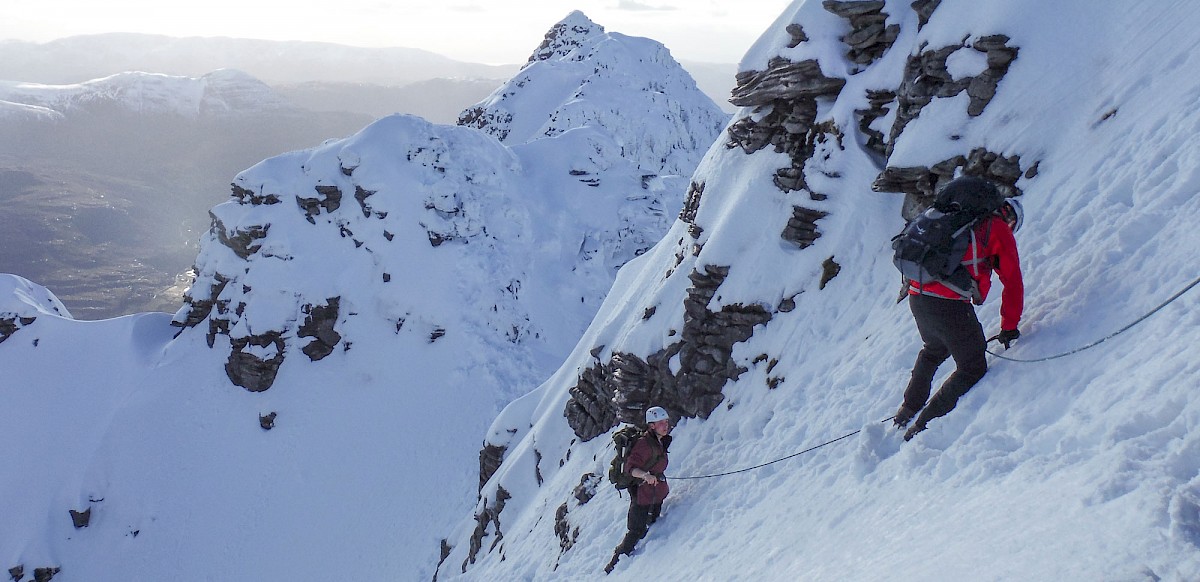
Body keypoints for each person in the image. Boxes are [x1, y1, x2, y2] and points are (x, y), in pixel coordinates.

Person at [893, 178, 1025, 441]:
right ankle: (922, 427)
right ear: (1007, 216)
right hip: (949, 305)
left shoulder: (950, 217)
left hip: (918, 295)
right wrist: (1009, 327)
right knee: (972, 366)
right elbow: (1012, 282)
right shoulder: (996, 229)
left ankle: (907, 409)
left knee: (934, 350)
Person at [605, 406, 672, 573]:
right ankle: (614, 565)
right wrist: (646, 476)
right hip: (643, 493)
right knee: (635, 530)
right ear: (651, 426)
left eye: (666, 422)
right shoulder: (644, 444)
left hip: (654, 491)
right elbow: (630, 468)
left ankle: (651, 533)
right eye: (661, 423)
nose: (666, 425)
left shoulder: (658, 440)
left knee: (652, 518)